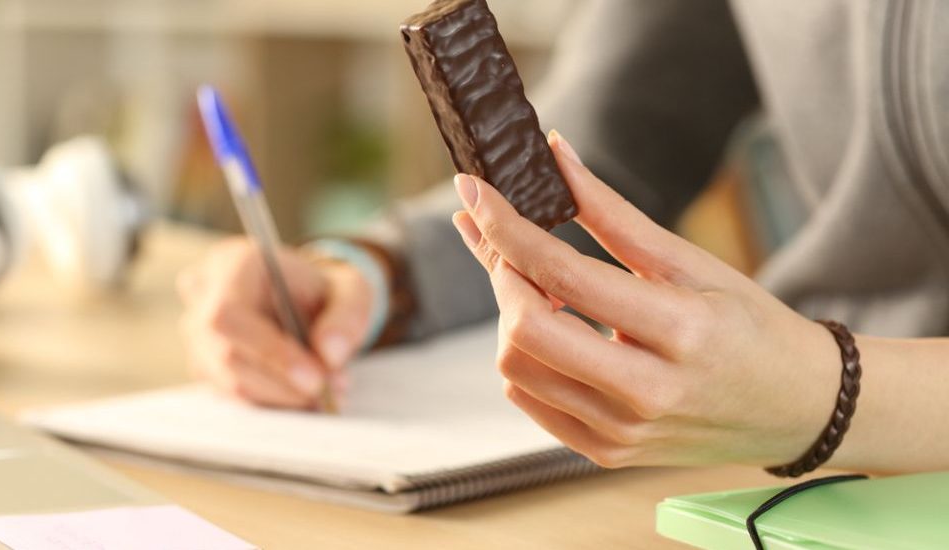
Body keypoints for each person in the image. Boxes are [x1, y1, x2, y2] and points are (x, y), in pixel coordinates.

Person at [175, 0, 949, 474]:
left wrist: (824, 390)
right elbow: (599, 159)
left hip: (814, 418)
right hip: (800, 469)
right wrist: (379, 277)